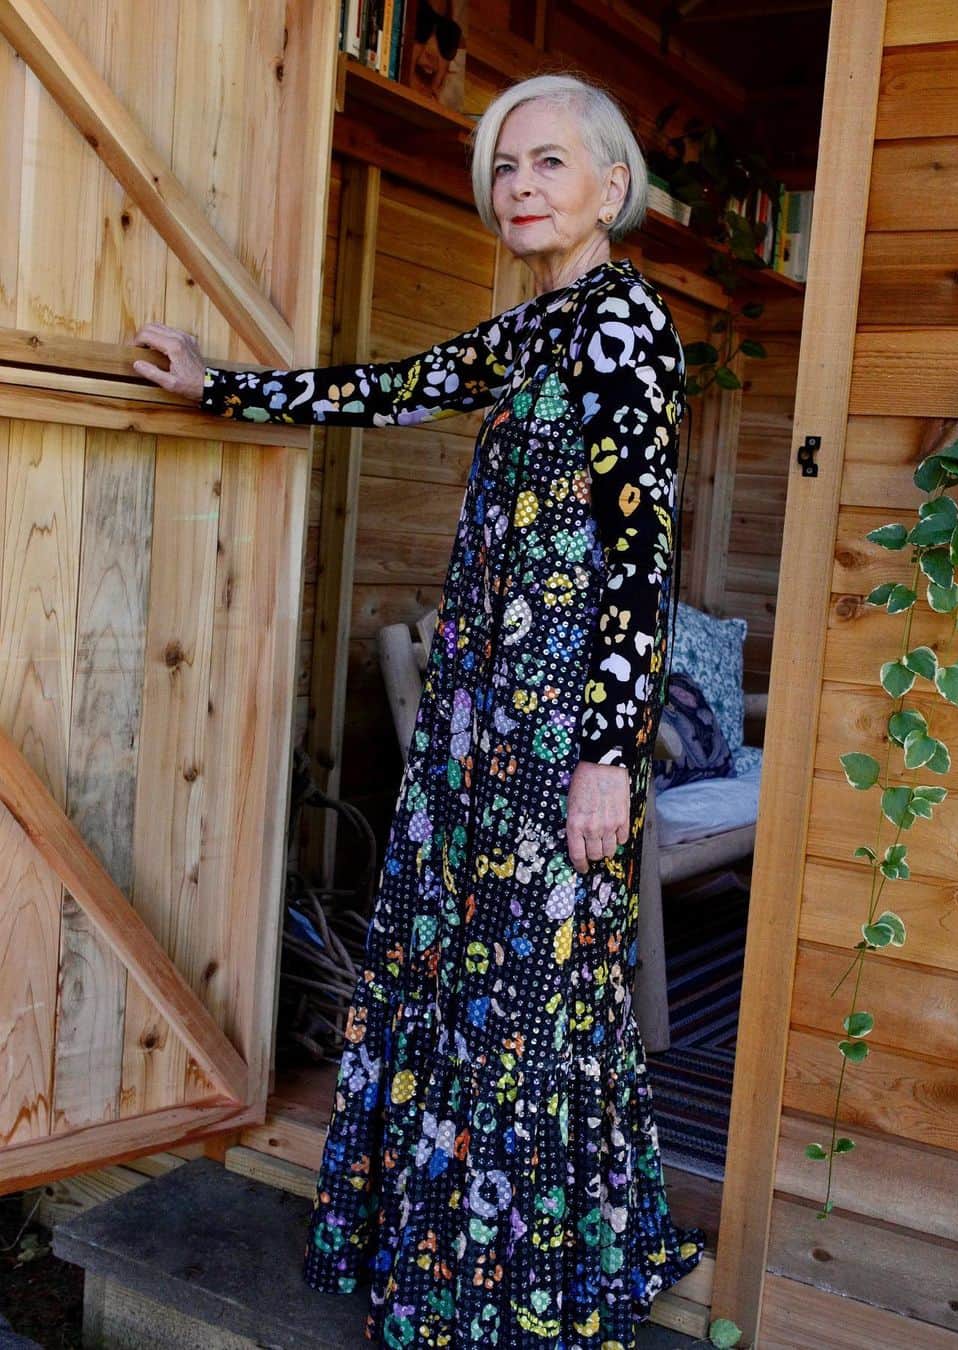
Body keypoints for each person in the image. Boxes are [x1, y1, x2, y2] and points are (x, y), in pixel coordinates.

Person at [133, 71, 705, 1350]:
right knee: (468, 975)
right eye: (504, 165)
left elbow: (639, 558)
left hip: (554, 728)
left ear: (611, 186)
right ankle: (452, 1254)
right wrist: (218, 387)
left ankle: (515, 1286)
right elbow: (384, 389)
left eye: (549, 162)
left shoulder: (624, 326)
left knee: (531, 991)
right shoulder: (536, 329)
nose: (520, 186)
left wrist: (609, 757)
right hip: (478, 721)